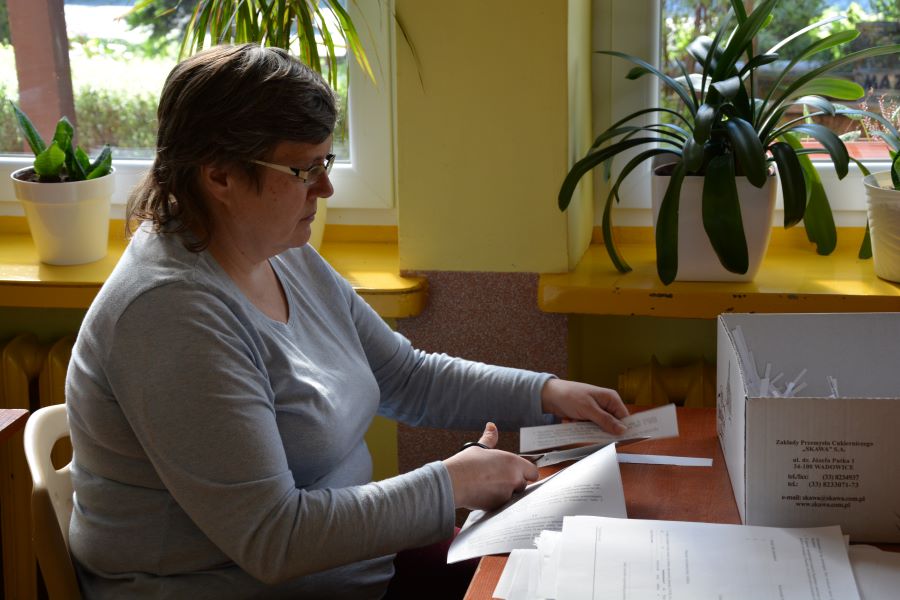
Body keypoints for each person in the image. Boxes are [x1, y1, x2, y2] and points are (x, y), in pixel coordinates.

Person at [65, 43, 628, 599]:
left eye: (326, 163)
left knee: (575, 570)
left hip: (357, 571)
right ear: (219, 176)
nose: (325, 187)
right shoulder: (171, 316)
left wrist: (546, 393)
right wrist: (454, 483)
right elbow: (273, 539)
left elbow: (405, 376)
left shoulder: (277, 250)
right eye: (303, 169)